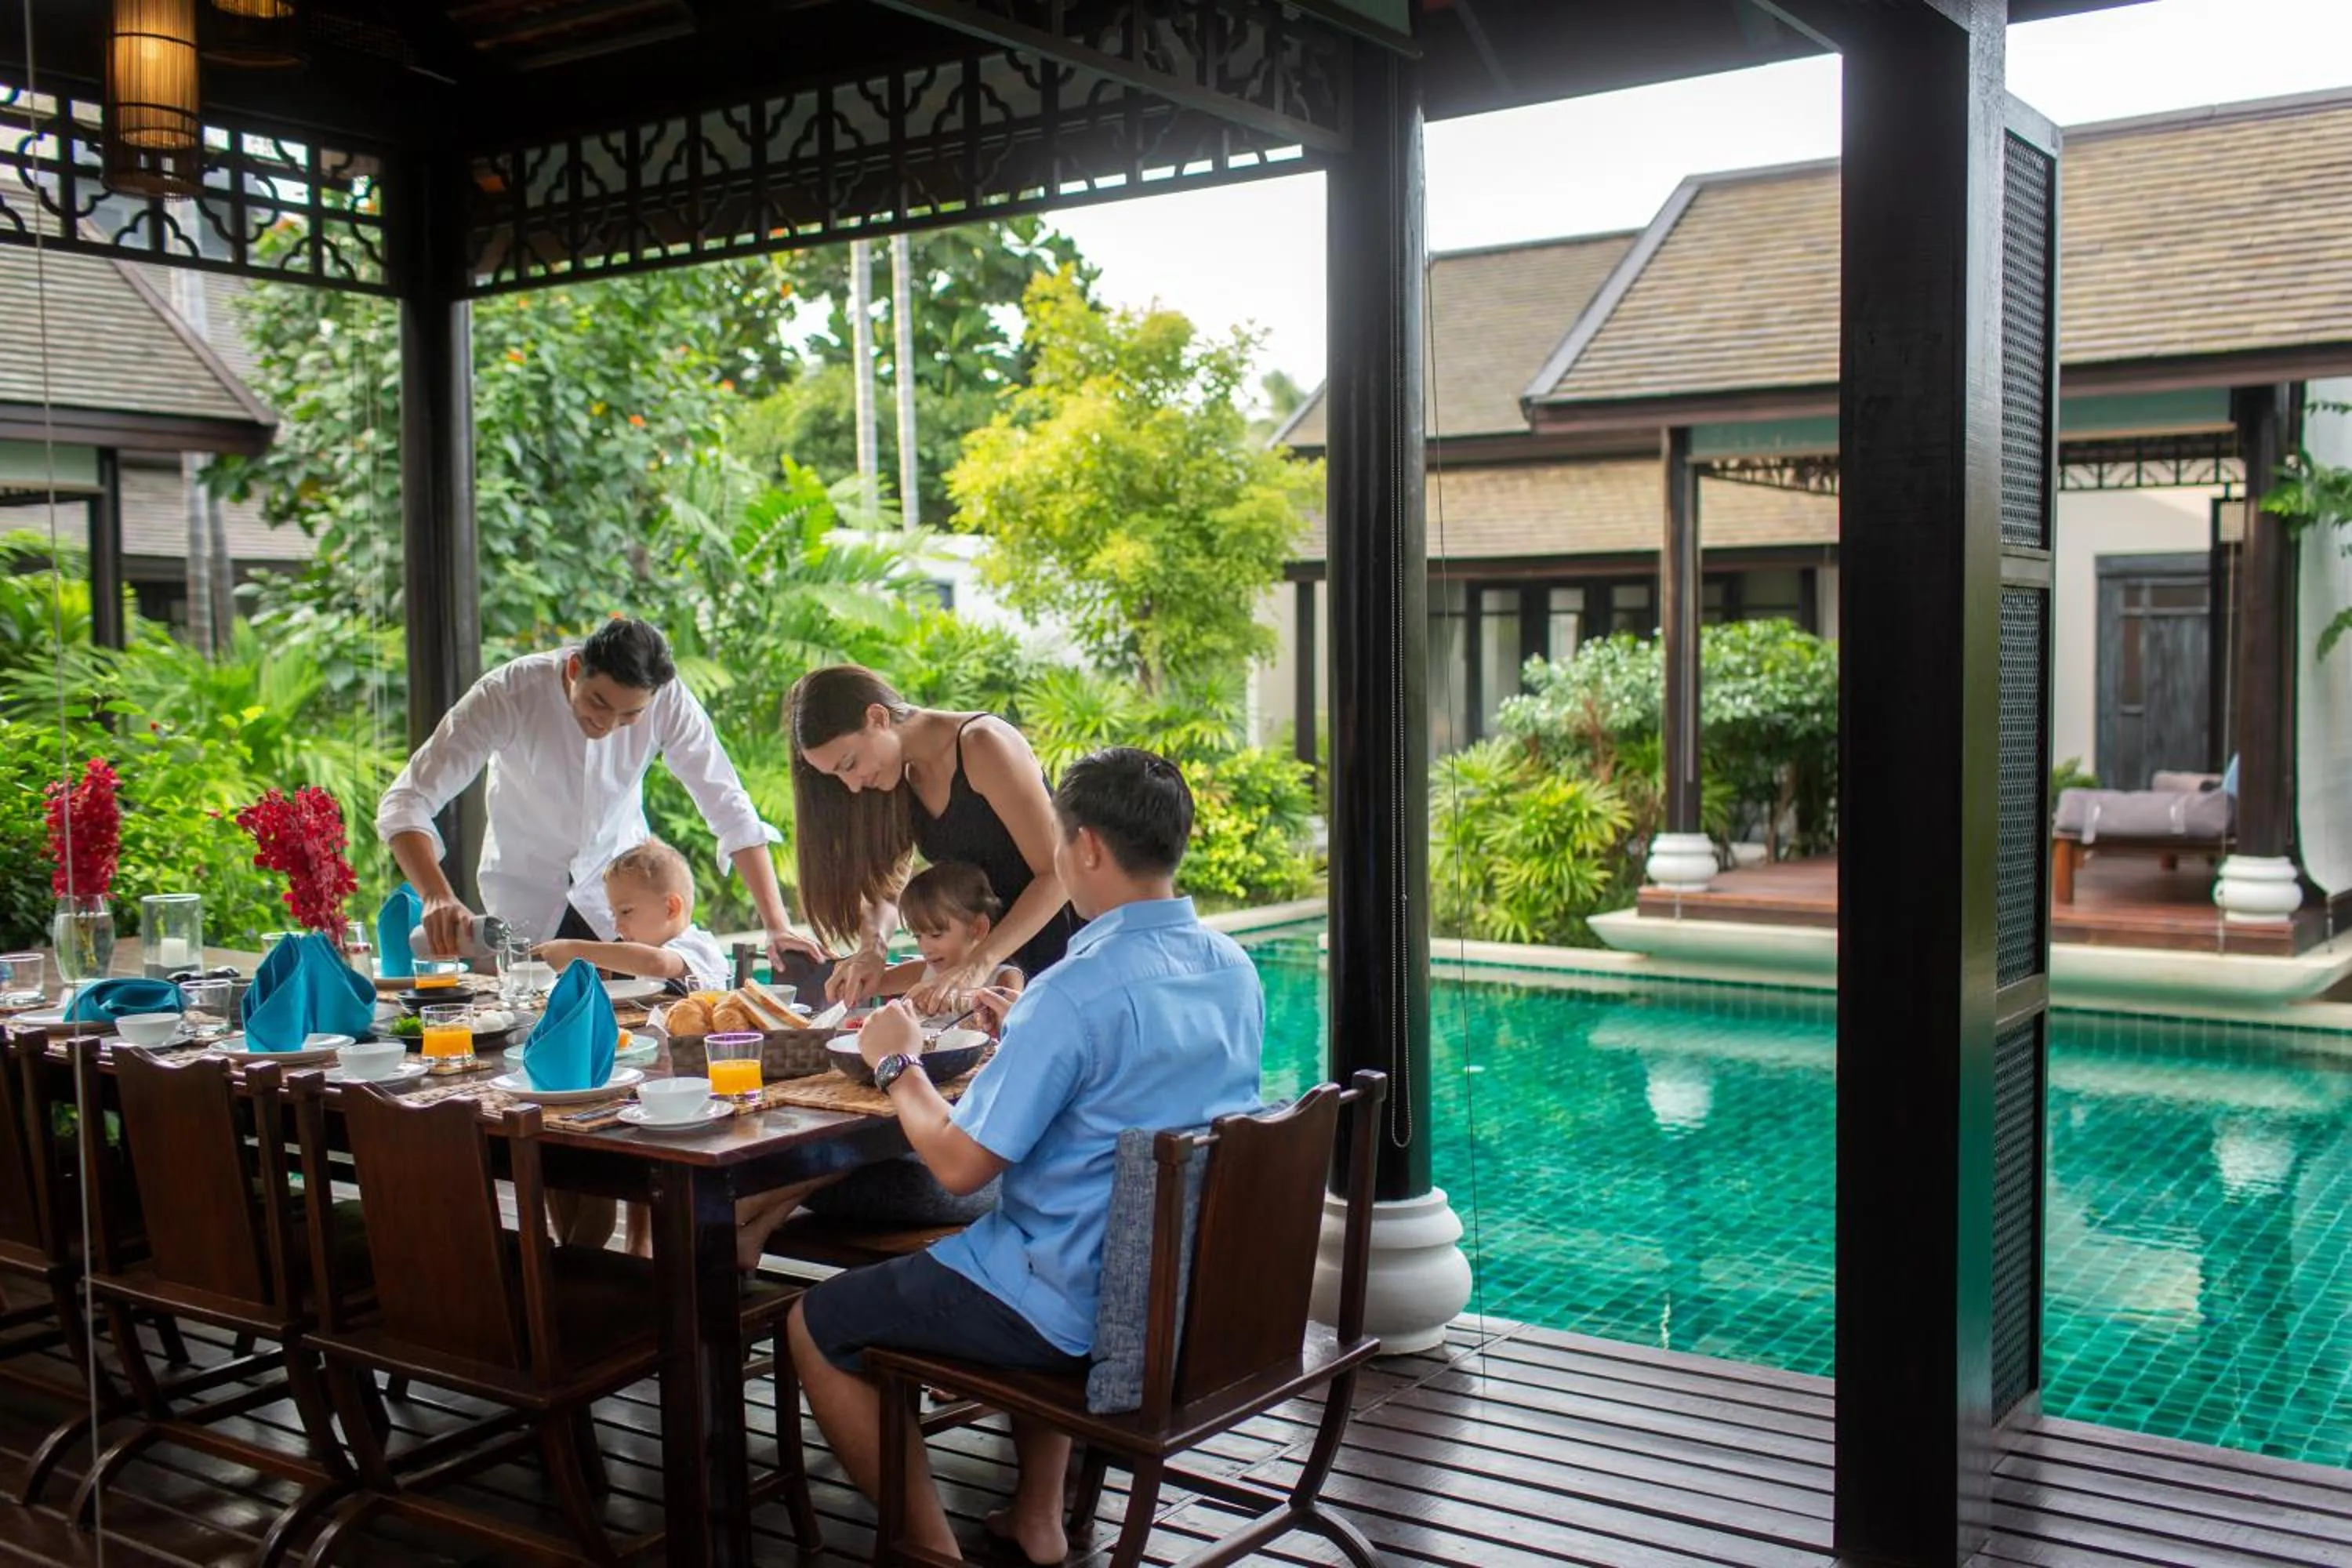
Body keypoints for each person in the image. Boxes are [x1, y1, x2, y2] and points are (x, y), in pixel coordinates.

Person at [786, 748, 1264, 1567]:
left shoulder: (1077, 988)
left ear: (1083, 849)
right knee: (1025, 1230)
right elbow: (1133, 1098)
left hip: (1069, 1305)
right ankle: (1037, 1517)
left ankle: (933, 1552)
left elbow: (960, 1167)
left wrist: (897, 1060)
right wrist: (1023, 1042)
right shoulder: (1232, 968)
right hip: (1176, 1293)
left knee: (815, 1321)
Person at [377, 617, 823, 971]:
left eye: (629, 715)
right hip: (525, 902)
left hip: (624, 908)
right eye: (597, 703)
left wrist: (777, 925)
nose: (607, 725)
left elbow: (727, 806)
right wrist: (437, 894)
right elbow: (407, 800)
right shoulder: (507, 693)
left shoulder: (668, 700)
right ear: (574, 670)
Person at [787, 666, 1078, 1011]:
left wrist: (977, 964)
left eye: (849, 763)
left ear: (877, 717)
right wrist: (872, 951)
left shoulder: (982, 743)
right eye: (838, 776)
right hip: (999, 970)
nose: (852, 785)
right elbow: (885, 892)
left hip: (1067, 954)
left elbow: (1059, 873)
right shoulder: (900, 775)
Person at [532, 838, 730, 992]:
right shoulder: (657, 950)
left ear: (671, 908)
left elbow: (656, 963)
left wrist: (573, 950)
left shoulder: (697, 947)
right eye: (614, 915)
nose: (617, 927)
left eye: (626, 911)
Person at [873, 862, 1026, 1008]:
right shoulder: (926, 972)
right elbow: (876, 983)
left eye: (936, 935)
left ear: (977, 928)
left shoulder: (1004, 978)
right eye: (918, 937)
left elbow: (1012, 1025)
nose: (925, 948)